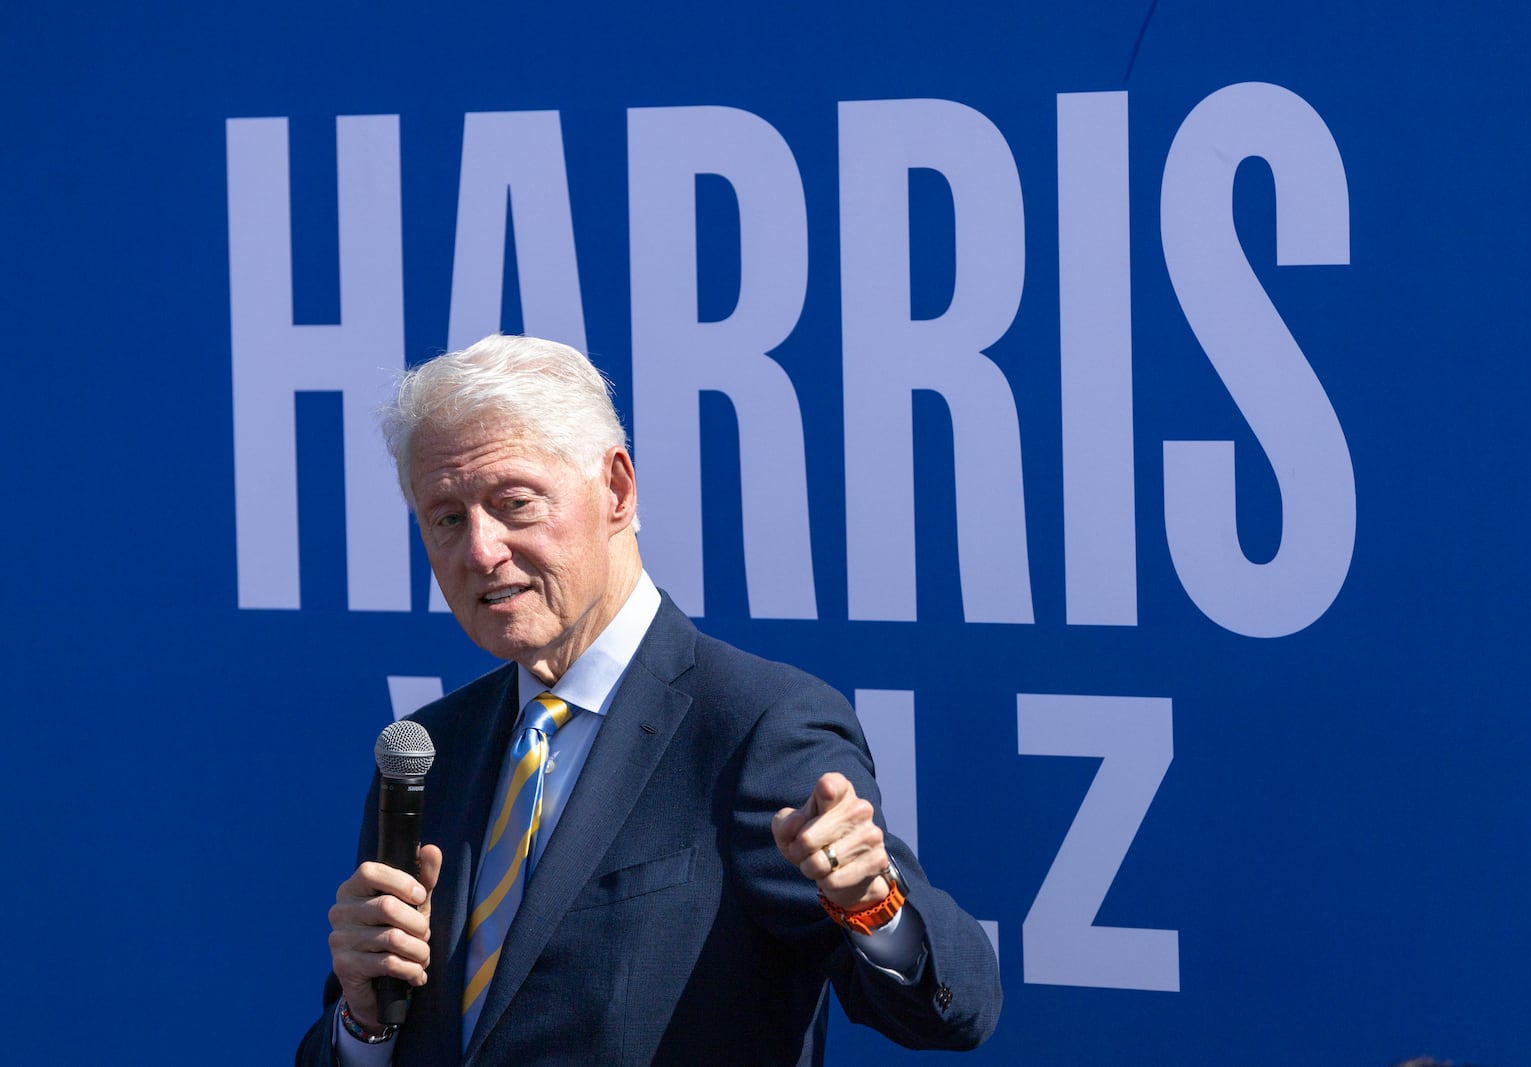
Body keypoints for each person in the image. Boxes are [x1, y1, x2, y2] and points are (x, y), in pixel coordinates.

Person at [296, 334, 1002, 1065]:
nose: (480, 550)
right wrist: (363, 1021)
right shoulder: (428, 749)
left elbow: (956, 1009)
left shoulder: (755, 727)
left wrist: (871, 903)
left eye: (514, 502)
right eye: (447, 518)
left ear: (618, 490)